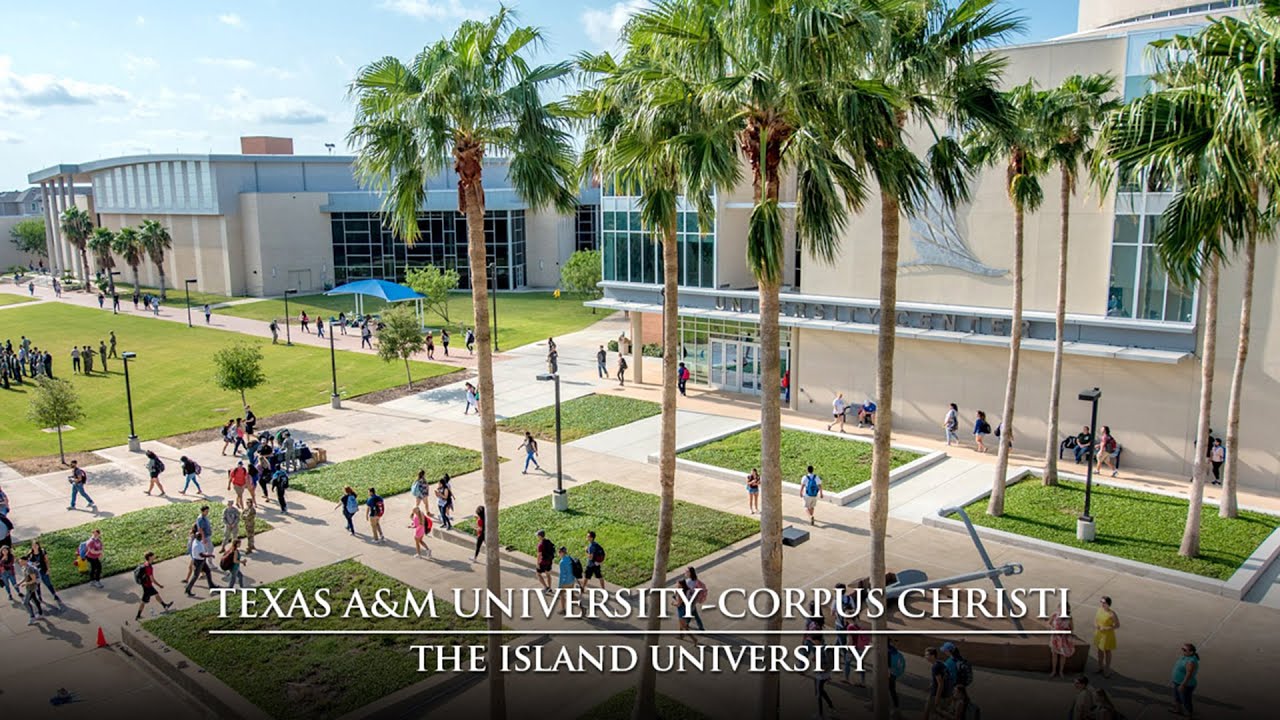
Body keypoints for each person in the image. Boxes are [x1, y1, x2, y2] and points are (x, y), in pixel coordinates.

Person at [135, 552, 174, 620]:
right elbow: (152, 579)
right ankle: (138, 616)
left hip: (146, 585)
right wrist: (159, 585)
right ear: (150, 557)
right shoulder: (148, 567)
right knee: (144, 601)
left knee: (156, 594)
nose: (154, 556)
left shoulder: (146, 564)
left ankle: (165, 606)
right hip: (148, 586)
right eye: (153, 555)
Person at [26, 539, 62, 606]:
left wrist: (48, 569)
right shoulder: (30, 554)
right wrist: (33, 564)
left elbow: (47, 561)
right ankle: (39, 596)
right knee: (37, 585)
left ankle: (54, 594)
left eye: (36, 545)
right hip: (36, 573)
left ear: (38, 545)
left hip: (43, 571)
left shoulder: (42, 552)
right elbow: (27, 563)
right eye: (33, 545)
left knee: (48, 583)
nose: (35, 547)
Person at [184, 531, 218, 596]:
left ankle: (211, 585)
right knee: (195, 576)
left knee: (208, 571)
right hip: (198, 562)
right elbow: (201, 555)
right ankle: (188, 589)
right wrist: (210, 555)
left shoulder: (196, 541)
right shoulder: (197, 545)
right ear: (198, 537)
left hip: (201, 561)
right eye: (200, 537)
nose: (201, 537)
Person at [1171, 642, 1200, 717]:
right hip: (1177, 682)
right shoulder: (1185, 656)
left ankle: (1189, 714)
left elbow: (1188, 675)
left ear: (1191, 652)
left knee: (1186, 700)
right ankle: (1178, 710)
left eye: (1184, 650)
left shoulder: (1191, 662)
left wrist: (1182, 685)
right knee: (1177, 698)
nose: (1182, 651)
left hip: (1186, 685)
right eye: (1182, 649)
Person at [1093, 596, 1119, 678]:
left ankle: (1107, 669)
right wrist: (1096, 625)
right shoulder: (1099, 610)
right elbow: (1096, 620)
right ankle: (1100, 667)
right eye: (1101, 602)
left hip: (1107, 635)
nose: (1102, 604)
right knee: (1099, 650)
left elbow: (1117, 625)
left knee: (1107, 651)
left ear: (1108, 604)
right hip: (1099, 633)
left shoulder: (1112, 614)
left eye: (1103, 602)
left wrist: (1106, 628)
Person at [924, 646, 952, 720]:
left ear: (933, 656)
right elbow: (945, 678)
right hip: (946, 694)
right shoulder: (941, 664)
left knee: (929, 712)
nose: (925, 657)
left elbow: (940, 684)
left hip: (937, 694)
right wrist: (932, 685)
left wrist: (937, 699)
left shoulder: (935, 667)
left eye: (927, 655)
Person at [1049, 602, 1075, 678]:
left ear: (1067, 609)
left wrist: (1068, 636)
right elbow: (1049, 623)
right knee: (1054, 655)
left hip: (1064, 639)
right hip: (1055, 638)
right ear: (1058, 607)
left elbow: (1072, 628)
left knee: (1063, 655)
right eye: (1060, 607)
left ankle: (1061, 671)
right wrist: (1053, 629)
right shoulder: (1054, 615)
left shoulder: (1069, 617)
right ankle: (1054, 671)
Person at [20, 556, 46, 625]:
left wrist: (26, 583)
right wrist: (19, 583)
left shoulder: (30, 568)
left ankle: (32, 617)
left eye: (21, 561)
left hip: (31, 588)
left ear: (25, 561)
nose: (20, 562)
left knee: (25, 602)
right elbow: (25, 577)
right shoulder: (24, 568)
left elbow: (34, 580)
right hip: (29, 587)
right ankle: (40, 613)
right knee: (35, 600)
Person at [557, 546, 577, 613]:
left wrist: (559, 585)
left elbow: (562, 575)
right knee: (571, 593)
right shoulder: (569, 558)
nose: (558, 553)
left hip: (566, 582)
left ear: (562, 553)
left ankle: (563, 609)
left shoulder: (562, 562)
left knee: (561, 594)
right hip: (572, 580)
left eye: (559, 552)